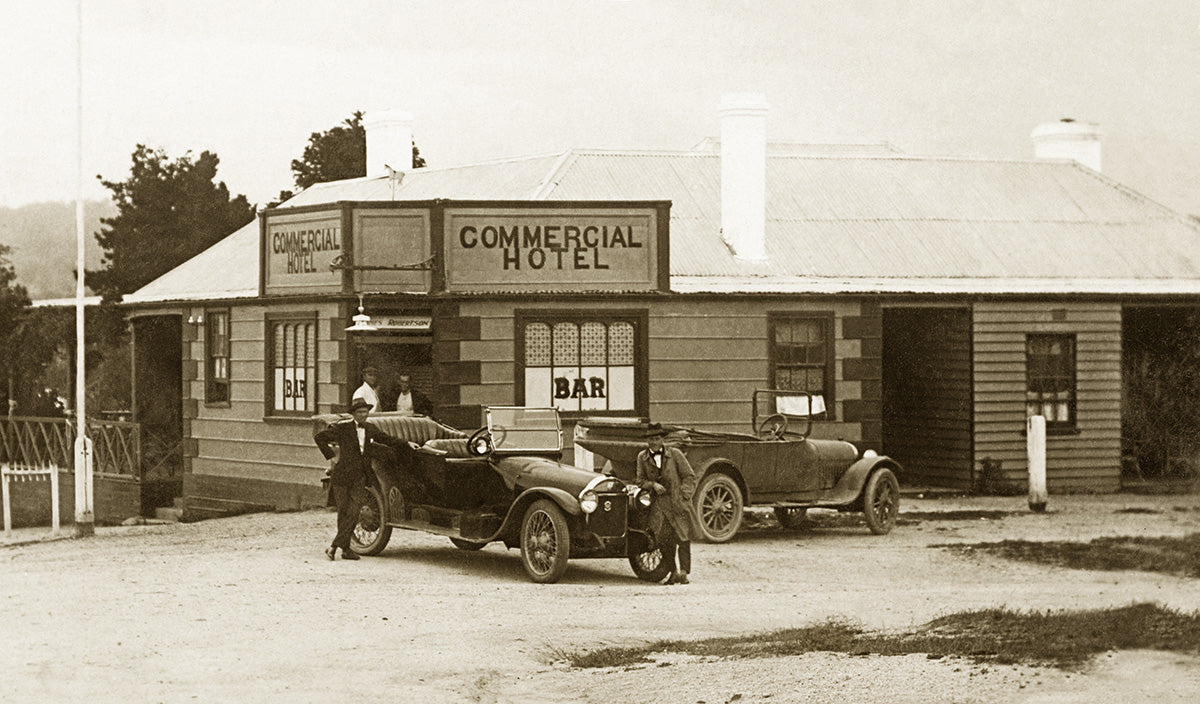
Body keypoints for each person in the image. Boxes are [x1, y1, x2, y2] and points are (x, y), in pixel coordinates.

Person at [313, 397, 394, 560]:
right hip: (342, 476)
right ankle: (346, 550)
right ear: (354, 414)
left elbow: (387, 439)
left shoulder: (370, 428)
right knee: (343, 512)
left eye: (365, 412)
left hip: (360, 476)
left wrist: (407, 444)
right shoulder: (343, 428)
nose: (363, 415)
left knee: (354, 510)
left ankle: (333, 546)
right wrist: (333, 457)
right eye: (360, 412)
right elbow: (319, 438)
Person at [636, 431, 697, 584]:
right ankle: (673, 571)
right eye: (651, 439)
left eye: (657, 439)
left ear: (662, 440)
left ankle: (684, 572)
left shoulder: (675, 454)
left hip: (677, 503)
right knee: (663, 540)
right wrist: (652, 485)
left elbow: (689, 476)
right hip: (659, 507)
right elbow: (639, 480)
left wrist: (684, 496)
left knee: (683, 537)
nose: (654, 442)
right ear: (647, 441)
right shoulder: (642, 458)